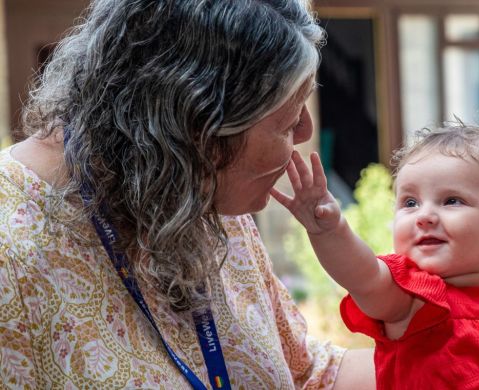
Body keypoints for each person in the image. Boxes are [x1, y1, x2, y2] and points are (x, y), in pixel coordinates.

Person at [0, 0, 374, 388]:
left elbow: (310, 374)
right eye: (288, 119)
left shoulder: (195, 193)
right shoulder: (11, 254)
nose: (305, 132)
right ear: (198, 128)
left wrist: (437, 338)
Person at [273, 124, 479, 389]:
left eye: (451, 201)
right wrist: (329, 231)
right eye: (410, 202)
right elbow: (363, 276)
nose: (424, 216)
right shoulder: (413, 299)